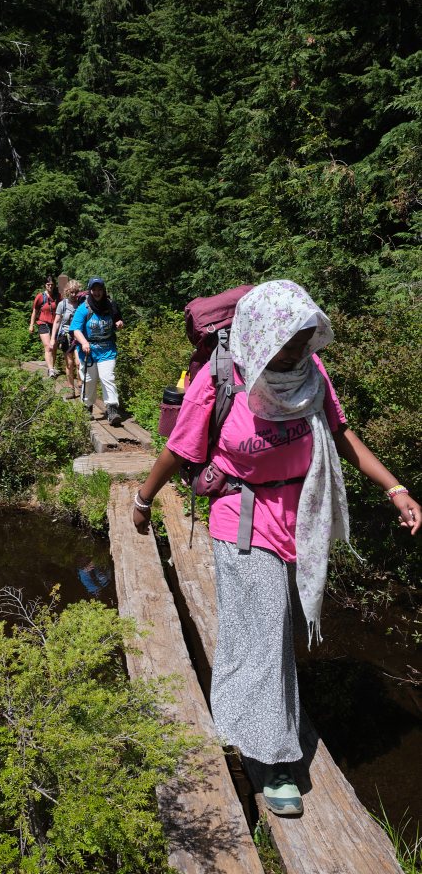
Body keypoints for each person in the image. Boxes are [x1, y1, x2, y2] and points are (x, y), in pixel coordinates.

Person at [131, 280, 420, 817]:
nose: (297, 350)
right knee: (266, 627)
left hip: (299, 517)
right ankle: (275, 759)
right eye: (288, 342)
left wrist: (395, 488)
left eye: (306, 338)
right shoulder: (220, 378)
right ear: (260, 335)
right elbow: (178, 448)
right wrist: (143, 500)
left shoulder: (312, 373)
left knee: (265, 629)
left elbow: (340, 433)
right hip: (240, 516)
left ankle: (244, 705)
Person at [70, 277, 124, 426]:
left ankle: (112, 410)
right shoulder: (84, 308)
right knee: (89, 380)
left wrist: (119, 323)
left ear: (103, 290)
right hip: (88, 351)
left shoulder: (111, 305)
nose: (97, 292)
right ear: (90, 291)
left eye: (100, 289)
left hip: (107, 349)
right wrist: (84, 342)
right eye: (94, 289)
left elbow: (118, 319)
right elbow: (75, 329)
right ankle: (87, 407)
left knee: (108, 377)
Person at [51, 279, 83, 398]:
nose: (74, 295)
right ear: (67, 292)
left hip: (79, 336)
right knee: (69, 363)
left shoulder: (82, 304)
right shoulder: (62, 304)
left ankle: (81, 384)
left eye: (76, 292)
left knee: (79, 363)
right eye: (72, 292)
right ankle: (71, 389)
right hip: (66, 336)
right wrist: (53, 338)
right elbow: (57, 321)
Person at [29, 277, 60, 377]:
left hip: (55, 324)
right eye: (48, 284)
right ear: (45, 285)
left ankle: (52, 367)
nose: (50, 286)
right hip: (43, 323)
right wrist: (31, 325)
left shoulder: (57, 296)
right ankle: (50, 369)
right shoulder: (40, 297)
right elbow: (35, 311)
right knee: (48, 346)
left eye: (52, 284)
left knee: (54, 347)